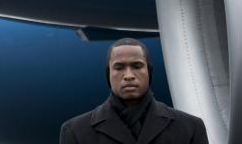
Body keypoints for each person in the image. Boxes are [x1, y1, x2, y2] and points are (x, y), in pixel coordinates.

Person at [59, 38, 209, 144]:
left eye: (137, 66)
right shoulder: (76, 132)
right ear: (108, 74)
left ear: (149, 72)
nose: (129, 76)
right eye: (119, 68)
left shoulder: (190, 127)